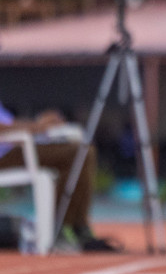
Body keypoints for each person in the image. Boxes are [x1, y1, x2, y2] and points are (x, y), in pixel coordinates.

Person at [0, 101, 120, 252]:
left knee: (81, 151)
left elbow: (7, 124)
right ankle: (66, 227)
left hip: (15, 147)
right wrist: (38, 127)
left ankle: (74, 226)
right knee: (78, 153)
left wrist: (41, 126)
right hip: (5, 154)